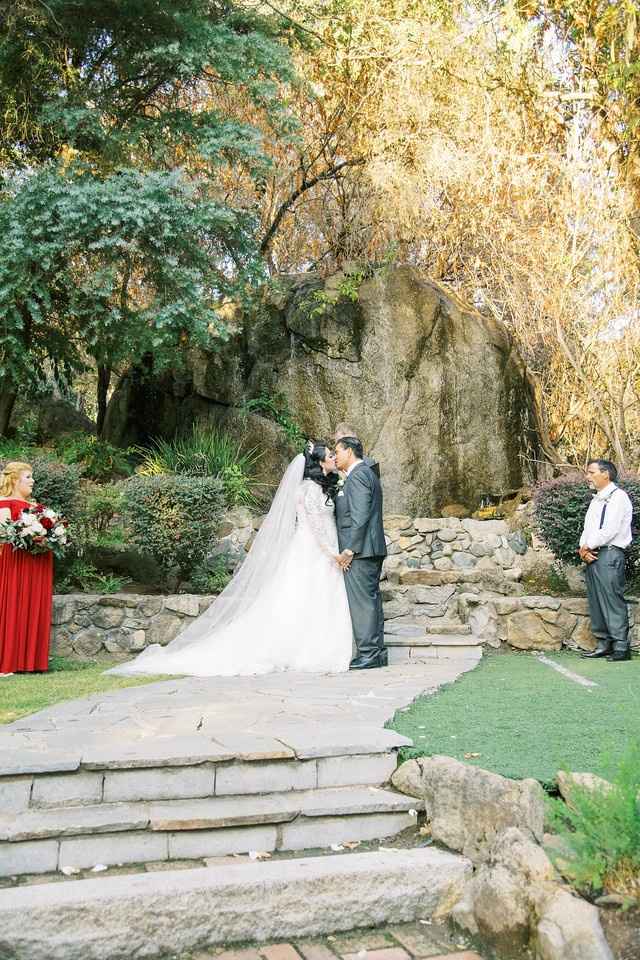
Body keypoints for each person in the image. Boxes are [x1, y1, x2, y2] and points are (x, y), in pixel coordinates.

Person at [109, 444, 352, 677]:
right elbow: (315, 526)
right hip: (313, 550)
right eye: (330, 455)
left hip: (321, 549)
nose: (333, 457)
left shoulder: (320, 486)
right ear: (319, 461)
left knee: (312, 597)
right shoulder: (307, 489)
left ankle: (311, 645)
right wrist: (333, 554)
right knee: (302, 597)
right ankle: (304, 650)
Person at [334, 437, 388, 669]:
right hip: (371, 548)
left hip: (362, 550)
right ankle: (377, 653)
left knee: (363, 604)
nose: (335, 456)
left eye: (337, 451)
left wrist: (349, 549)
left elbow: (361, 515)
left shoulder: (357, 476)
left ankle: (367, 654)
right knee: (372, 601)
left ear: (349, 452)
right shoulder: (367, 473)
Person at [0, 462, 53, 674]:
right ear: (14, 479)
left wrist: (50, 537)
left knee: (32, 604)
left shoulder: (36, 508)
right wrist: (27, 533)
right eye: (28, 477)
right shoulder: (3, 503)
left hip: (36, 565)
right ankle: (8, 660)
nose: (33, 481)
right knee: (12, 605)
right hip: (15, 564)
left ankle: (30, 661)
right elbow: (3, 534)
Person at [579, 459, 633, 663]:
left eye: (591, 472)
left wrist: (588, 545)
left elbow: (610, 529)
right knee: (595, 601)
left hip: (609, 554)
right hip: (593, 554)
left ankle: (621, 647)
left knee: (612, 600)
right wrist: (582, 548)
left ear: (606, 474)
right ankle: (604, 644)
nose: (588, 476)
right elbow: (588, 528)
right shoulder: (597, 500)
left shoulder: (618, 498)